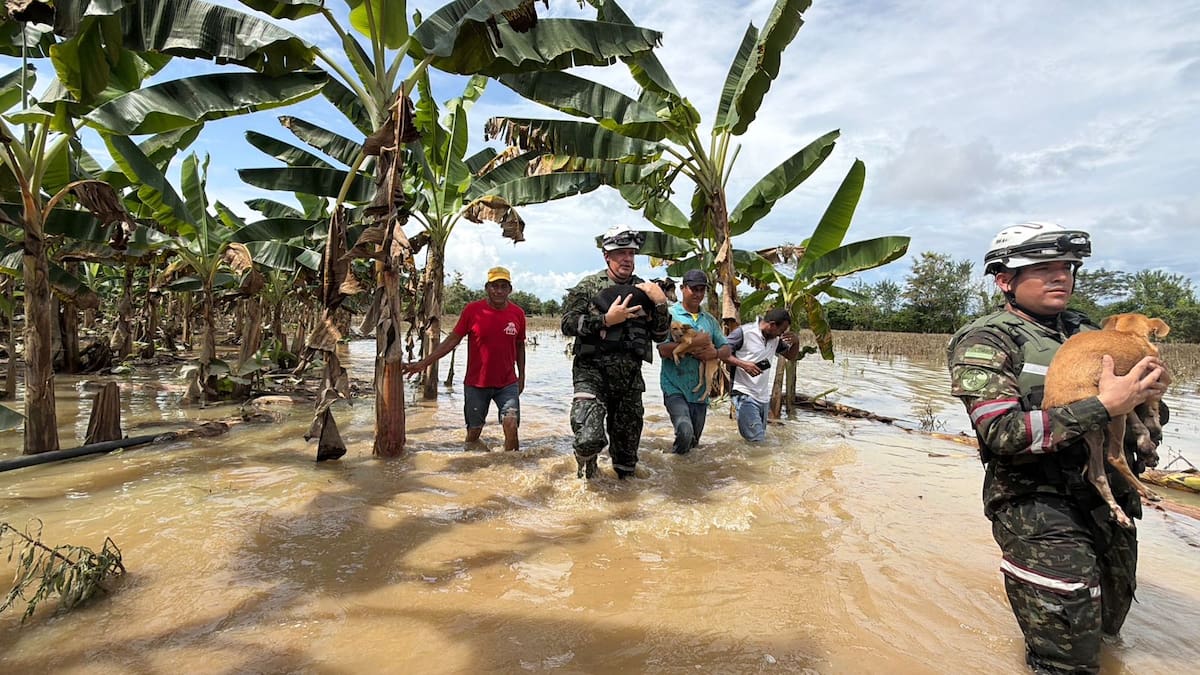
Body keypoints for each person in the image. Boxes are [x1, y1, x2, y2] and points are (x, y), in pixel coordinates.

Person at [946, 222, 1169, 674]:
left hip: (1110, 504)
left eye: (1066, 268)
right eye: (1041, 268)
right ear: (1004, 280)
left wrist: (1152, 398)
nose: (1060, 277)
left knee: (1109, 633)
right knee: (1066, 659)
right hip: (1038, 507)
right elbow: (1001, 432)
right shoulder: (987, 339)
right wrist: (1102, 405)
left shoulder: (1090, 331)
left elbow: (1148, 420)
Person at [561, 224, 671, 479]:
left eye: (632, 253)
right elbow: (567, 324)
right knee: (588, 439)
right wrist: (606, 320)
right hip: (592, 374)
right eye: (621, 253)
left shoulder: (646, 289)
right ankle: (584, 468)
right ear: (607, 256)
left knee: (626, 463)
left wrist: (661, 304)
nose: (627, 258)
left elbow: (660, 335)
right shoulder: (588, 287)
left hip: (629, 380)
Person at [403, 266, 526, 451]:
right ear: (486, 288)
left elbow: (519, 345)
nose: (499, 291)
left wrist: (522, 376)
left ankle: (511, 469)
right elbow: (452, 340)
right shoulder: (473, 311)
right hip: (476, 384)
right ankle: (470, 462)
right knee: (474, 433)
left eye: (503, 286)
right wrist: (422, 364)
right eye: (494, 286)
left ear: (510, 289)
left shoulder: (518, 314)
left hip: (507, 383)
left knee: (511, 424)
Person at [656, 269, 731, 454]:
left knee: (693, 442)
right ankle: (673, 467)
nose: (698, 294)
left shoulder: (710, 321)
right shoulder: (669, 315)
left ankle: (682, 476)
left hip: (699, 393)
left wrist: (714, 352)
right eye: (694, 289)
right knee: (684, 430)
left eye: (701, 290)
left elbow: (727, 348)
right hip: (674, 386)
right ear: (682, 288)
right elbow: (663, 350)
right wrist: (694, 344)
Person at [726, 308, 801, 442]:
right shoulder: (744, 333)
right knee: (757, 440)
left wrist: (796, 342)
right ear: (772, 325)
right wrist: (744, 364)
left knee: (756, 441)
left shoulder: (775, 339)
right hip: (743, 393)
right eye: (781, 331)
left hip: (763, 397)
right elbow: (722, 353)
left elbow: (791, 356)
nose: (781, 335)